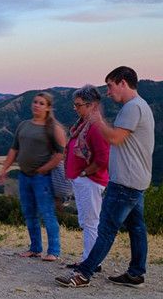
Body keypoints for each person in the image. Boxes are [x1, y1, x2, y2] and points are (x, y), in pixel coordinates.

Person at [56, 66, 155, 288]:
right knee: (137, 228)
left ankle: (83, 273)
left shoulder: (132, 107)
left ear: (123, 82)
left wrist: (98, 122)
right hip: (136, 179)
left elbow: (116, 139)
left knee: (106, 229)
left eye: (110, 86)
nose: (108, 92)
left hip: (125, 181)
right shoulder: (141, 106)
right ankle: (136, 273)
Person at [0, 92, 66, 261]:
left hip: (41, 178)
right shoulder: (24, 125)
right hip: (24, 176)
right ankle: (35, 248)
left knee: (47, 213)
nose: (37, 105)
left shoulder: (53, 128)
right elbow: (14, 149)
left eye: (41, 103)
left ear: (48, 107)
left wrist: (44, 169)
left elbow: (60, 154)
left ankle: (54, 251)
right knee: (29, 213)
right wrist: (5, 168)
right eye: (35, 102)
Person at [64, 85, 109, 271]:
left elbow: (103, 157)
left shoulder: (96, 127)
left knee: (90, 222)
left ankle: (91, 263)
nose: (75, 108)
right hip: (83, 181)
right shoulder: (83, 124)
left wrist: (85, 173)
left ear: (91, 105)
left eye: (78, 105)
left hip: (91, 182)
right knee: (86, 221)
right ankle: (88, 259)